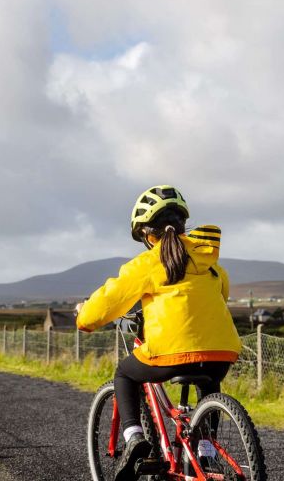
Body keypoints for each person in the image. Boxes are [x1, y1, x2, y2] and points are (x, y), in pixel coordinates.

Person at [75, 185, 242, 481]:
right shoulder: (209, 261)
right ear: (182, 225)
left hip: (170, 353)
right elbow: (221, 295)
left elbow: (106, 303)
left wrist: (83, 318)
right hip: (221, 349)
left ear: (145, 234)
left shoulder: (147, 264)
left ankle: (135, 437)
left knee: (125, 374)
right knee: (210, 383)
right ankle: (206, 452)